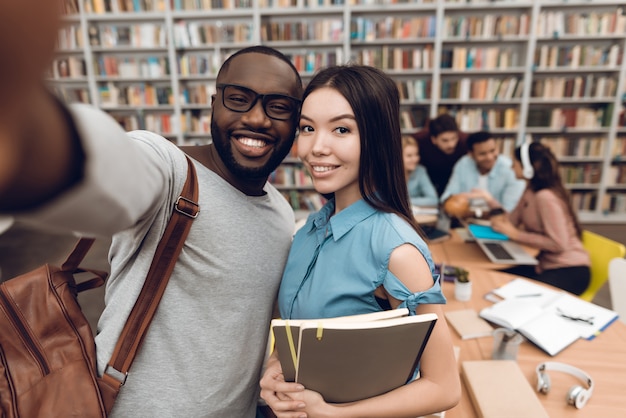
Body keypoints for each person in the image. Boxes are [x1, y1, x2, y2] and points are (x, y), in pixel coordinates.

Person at [0, 4, 304, 414]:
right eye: (239, 99)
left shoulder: (283, 214)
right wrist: (24, 133)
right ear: (213, 104)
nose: (257, 118)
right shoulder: (170, 169)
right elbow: (113, 179)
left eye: (278, 107)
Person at [259, 65, 461, 417]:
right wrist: (275, 372)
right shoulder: (308, 230)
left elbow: (443, 387)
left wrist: (334, 414)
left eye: (341, 129)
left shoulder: (397, 250)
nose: (316, 147)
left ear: (375, 138)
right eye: (307, 128)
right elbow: (297, 340)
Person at [491, 142, 591, 295]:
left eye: (514, 163)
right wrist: (499, 218)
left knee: (514, 296)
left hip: (569, 269)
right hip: (543, 263)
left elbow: (559, 244)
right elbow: (512, 221)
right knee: (496, 283)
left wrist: (516, 234)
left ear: (528, 168)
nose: (511, 168)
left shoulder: (546, 197)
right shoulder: (530, 189)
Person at [440, 130, 525, 217]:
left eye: (493, 151)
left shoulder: (510, 169)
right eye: (482, 154)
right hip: (465, 220)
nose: (490, 157)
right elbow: (446, 198)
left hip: (497, 223)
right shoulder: (463, 164)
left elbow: (510, 212)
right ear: (471, 155)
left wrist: (488, 200)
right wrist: (467, 197)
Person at [413, 113, 468, 196]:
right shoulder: (419, 141)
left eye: (454, 138)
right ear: (433, 139)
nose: (451, 144)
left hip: (454, 182)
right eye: (445, 140)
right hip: (428, 180)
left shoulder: (465, 141)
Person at [402, 135, 438, 207]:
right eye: (409, 156)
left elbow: (434, 199)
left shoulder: (420, 171)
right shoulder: (389, 174)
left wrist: (406, 202)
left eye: (416, 154)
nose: (415, 159)